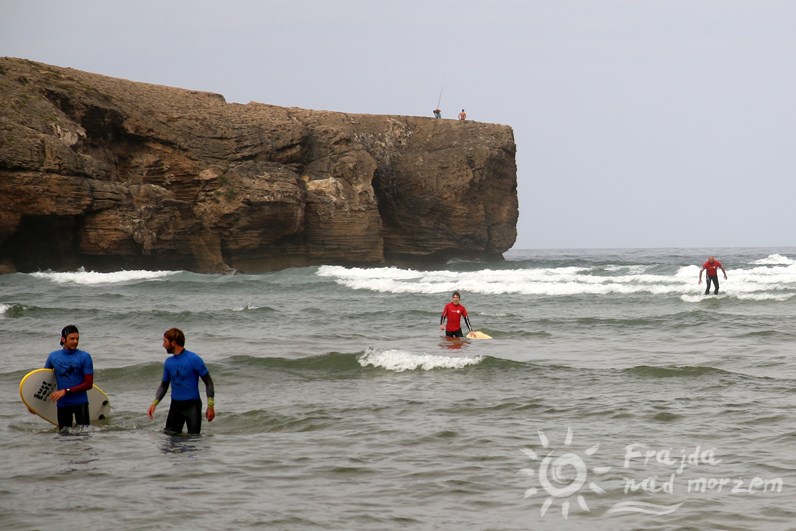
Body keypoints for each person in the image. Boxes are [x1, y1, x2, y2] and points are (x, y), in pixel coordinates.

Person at [147, 328, 215, 435]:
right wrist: (154, 403)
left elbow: (209, 383)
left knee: (193, 442)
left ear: (173, 343)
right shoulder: (169, 363)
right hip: (175, 407)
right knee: (170, 444)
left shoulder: (193, 359)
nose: (163, 345)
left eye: (165, 341)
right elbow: (164, 386)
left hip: (193, 406)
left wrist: (210, 406)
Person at [44, 325, 94, 430]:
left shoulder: (84, 356)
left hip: (80, 403)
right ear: (63, 339)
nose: (75, 341)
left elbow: (88, 384)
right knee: (63, 439)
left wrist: (66, 391)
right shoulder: (53, 357)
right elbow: (45, 382)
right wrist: (33, 404)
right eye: (72, 339)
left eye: (77, 339)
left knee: (84, 438)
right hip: (63, 404)